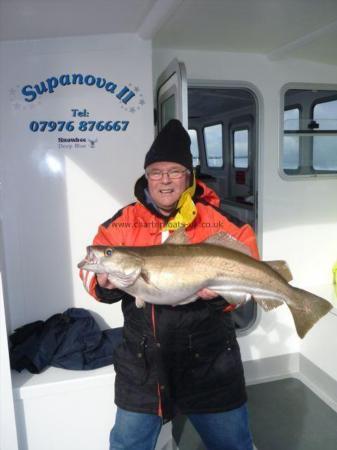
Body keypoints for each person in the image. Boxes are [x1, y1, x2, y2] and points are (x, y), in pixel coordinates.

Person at [80, 119, 259, 450]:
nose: (164, 180)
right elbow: (90, 270)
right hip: (143, 363)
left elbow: (248, 280)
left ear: (188, 176)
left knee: (233, 444)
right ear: (146, 177)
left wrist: (221, 298)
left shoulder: (222, 223)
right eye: (156, 171)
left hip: (211, 361)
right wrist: (105, 283)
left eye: (174, 171)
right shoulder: (123, 223)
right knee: (127, 445)